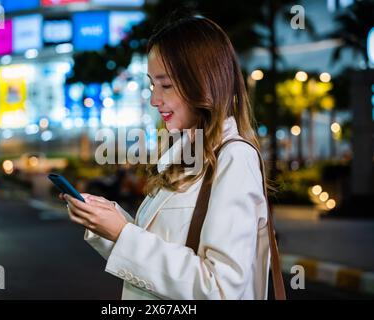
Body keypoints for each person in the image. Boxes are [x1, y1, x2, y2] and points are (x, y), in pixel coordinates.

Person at [62, 15, 271, 300]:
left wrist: (124, 234)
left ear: (203, 83)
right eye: (151, 85)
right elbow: (157, 251)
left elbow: (222, 289)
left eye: (166, 85)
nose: (154, 99)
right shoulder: (182, 155)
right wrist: (107, 224)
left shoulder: (234, 157)